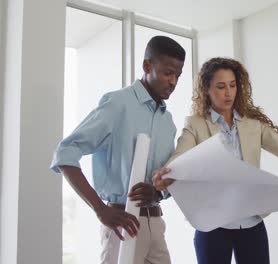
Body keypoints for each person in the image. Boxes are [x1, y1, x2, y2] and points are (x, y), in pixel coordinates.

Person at [152, 57, 278, 264]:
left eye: (232, 85)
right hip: (213, 225)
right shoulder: (196, 124)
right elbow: (181, 155)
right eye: (220, 87)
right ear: (207, 89)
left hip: (251, 222)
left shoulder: (252, 124)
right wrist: (165, 174)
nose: (228, 93)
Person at [50, 35, 186, 264]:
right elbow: (65, 153)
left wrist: (158, 192)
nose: (173, 81)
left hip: (156, 225)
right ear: (147, 66)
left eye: (178, 76)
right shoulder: (117, 104)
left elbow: (167, 179)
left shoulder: (168, 121)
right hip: (122, 224)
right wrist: (101, 210)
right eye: (167, 72)